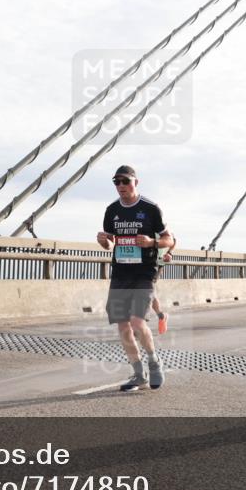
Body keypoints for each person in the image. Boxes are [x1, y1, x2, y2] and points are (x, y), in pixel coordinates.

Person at [97, 165, 173, 392]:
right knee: (123, 328)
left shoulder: (150, 208)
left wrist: (152, 242)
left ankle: (154, 361)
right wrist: (104, 242)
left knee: (137, 323)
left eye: (125, 181)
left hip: (144, 273)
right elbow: (111, 243)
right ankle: (139, 375)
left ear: (135, 182)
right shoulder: (111, 210)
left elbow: (169, 239)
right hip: (120, 273)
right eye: (116, 182)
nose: (120, 186)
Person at [151, 234, 178, 334]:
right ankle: (161, 316)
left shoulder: (162, 226)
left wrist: (169, 253)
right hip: (141, 263)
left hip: (157, 264)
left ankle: (139, 320)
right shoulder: (141, 223)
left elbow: (173, 241)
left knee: (148, 289)